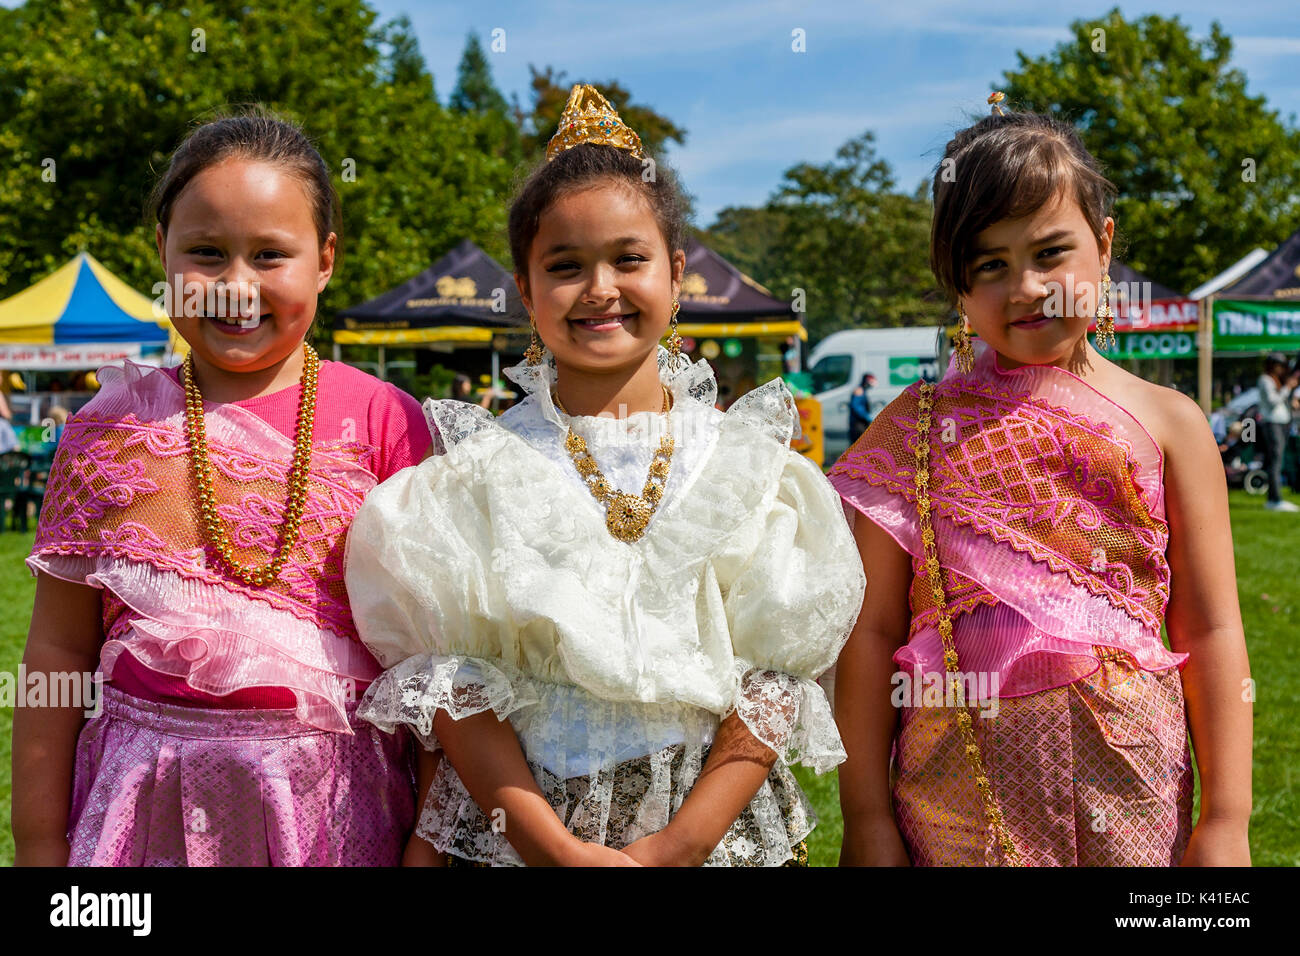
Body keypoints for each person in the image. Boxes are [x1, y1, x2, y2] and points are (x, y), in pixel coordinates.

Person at [344, 85, 865, 866]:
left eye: (629, 259)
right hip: (519, 833)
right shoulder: (475, 477)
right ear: (524, 289)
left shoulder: (747, 466)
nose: (599, 289)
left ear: (676, 273)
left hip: (712, 833)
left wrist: (679, 846)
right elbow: (455, 682)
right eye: (565, 266)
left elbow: (773, 679)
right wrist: (552, 847)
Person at [829, 97, 1252, 867]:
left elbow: (1212, 629)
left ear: (1104, 245)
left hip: (1132, 783)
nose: (1025, 287)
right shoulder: (915, 427)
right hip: (954, 791)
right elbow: (871, 636)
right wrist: (867, 819)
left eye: (1050, 252)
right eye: (989, 265)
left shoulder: (1171, 423)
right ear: (957, 288)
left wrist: (1226, 820)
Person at [13, 108, 427, 866]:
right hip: (138, 816)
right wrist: (40, 841)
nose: (236, 287)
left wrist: (429, 848)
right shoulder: (108, 430)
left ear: (326, 259)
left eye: (271, 254)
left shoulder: (385, 421)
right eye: (205, 253)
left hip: (335, 817)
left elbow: (433, 664)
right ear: (161, 254)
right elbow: (58, 652)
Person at [1257, 352, 1297, 511]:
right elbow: (1273, 401)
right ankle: (1275, 499)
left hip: (1281, 423)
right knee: (1275, 461)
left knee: (1277, 460)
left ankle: (1275, 498)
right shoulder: (1265, 380)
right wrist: (1287, 388)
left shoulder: (1277, 381)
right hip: (1272, 423)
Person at [848, 372, 876, 445]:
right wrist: (867, 417)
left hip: (861, 423)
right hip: (858, 424)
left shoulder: (862, 391)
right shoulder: (859, 391)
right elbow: (856, 407)